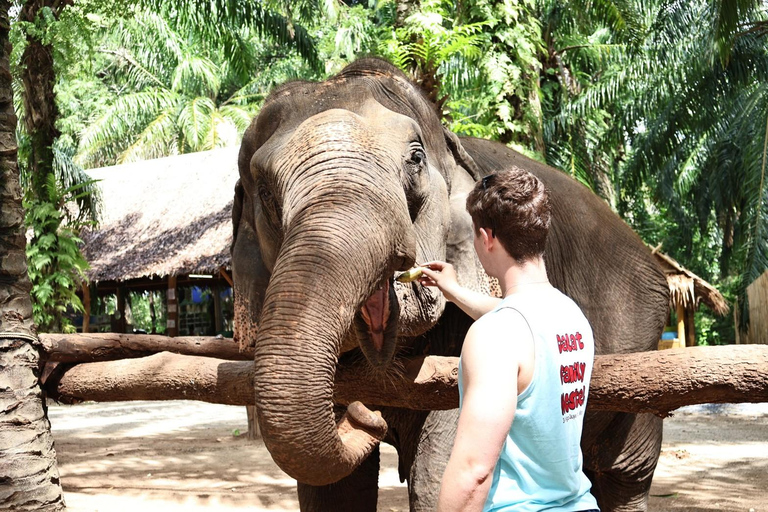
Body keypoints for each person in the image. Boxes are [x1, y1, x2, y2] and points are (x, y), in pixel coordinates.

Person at [419, 169, 600, 512]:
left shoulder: (495, 335)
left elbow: (474, 471)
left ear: (487, 238)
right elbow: (517, 317)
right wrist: (455, 292)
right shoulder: (571, 315)